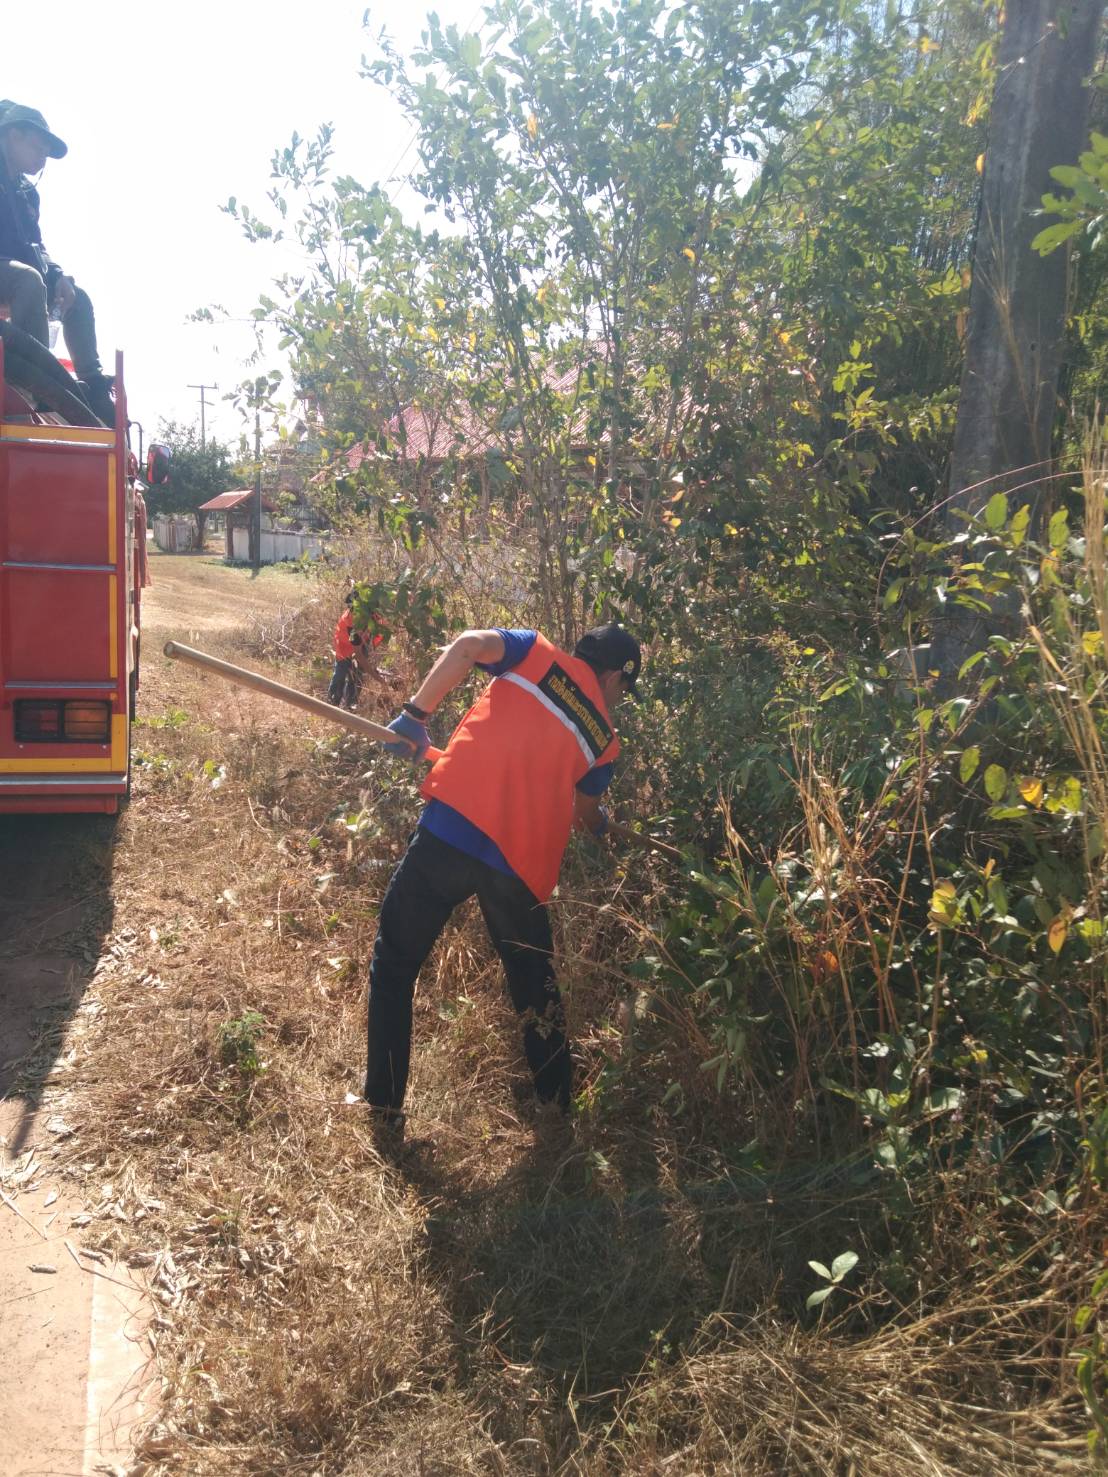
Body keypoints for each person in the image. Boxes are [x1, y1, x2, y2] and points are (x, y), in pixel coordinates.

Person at [364, 621, 641, 1149]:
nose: (620, 699)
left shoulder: (533, 652)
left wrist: (416, 717)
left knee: (395, 966)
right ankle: (556, 1109)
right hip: (517, 865)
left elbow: (468, 645)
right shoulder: (604, 741)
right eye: (624, 689)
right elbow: (584, 813)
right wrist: (601, 823)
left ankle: (385, 1110)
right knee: (535, 987)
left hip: (452, 833)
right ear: (613, 677)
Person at [0, 102, 114, 425]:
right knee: (28, 281)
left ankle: (93, 386)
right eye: (38, 147)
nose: (42, 158)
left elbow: (35, 246)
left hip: (15, 275)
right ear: (12, 135)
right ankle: (34, 388)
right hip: (13, 276)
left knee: (77, 298)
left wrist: (58, 275)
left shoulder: (26, 193)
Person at [327, 591, 385, 709]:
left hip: (361, 643)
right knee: (340, 674)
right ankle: (332, 704)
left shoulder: (374, 614)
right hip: (344, 647)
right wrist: (378, 679)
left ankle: (350, 705)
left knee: (357, 677)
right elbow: (358, 654)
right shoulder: (350, 623)